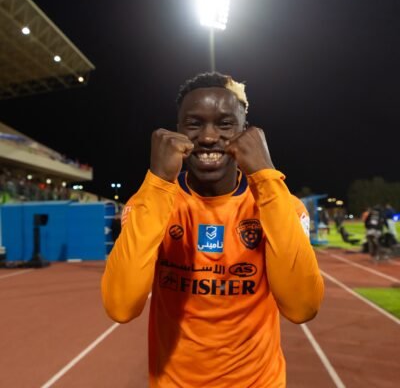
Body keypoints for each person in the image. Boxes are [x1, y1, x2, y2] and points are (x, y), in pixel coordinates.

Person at [101, 72, 324, 387]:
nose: (207, 137)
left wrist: (265, 176)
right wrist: (158, 181)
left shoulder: (279, 204)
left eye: (225, 124)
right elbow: (120, 307)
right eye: (194, 124)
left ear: (245, 132)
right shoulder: (152, 202)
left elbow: (302, 307)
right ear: (177, 131)